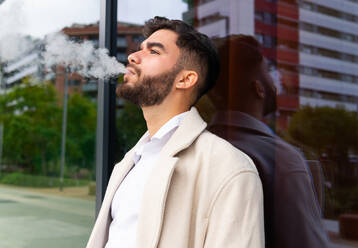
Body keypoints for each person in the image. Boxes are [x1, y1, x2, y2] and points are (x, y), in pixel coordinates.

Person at [86, 17, 264, 248]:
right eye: (140, 49)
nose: (132, 56)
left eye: (154, 52)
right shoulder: (131, 161)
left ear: (185, 79)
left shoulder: (230, 168)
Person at [208, 35, 329, 248]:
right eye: (268, 73)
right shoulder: (280, 160)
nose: (276, 81)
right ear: (259, 88)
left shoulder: (188, 150)